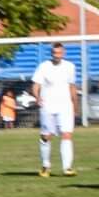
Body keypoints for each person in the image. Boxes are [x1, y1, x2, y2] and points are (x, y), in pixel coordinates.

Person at [30, 42, 77, 177]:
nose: (57, 55)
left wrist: (75, 103)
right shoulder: (44, 66)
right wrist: (37, 97)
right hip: (48, 105)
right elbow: (36, 85)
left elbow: (72, 86)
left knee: (67, 134)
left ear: (63, 53)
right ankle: (46, 166)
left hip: (65, 105)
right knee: (46, 136)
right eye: (54, 53)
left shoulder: (70, 67)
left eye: (59, 53)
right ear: (51, 53)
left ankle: (67, 167)